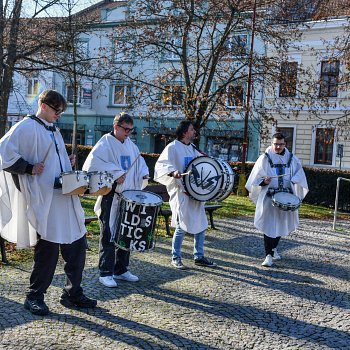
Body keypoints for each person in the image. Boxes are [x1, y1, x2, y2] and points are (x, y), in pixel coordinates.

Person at [0, 89, 97, 316]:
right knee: (49, 250)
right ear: (43, 105)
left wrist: (67, 161)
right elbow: (3, 152)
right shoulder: (26, 126)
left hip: (64, 197)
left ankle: (72, 294)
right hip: (46, 199)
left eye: (61, 112)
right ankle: (34, 296)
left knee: (77, 244)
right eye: (56, 110)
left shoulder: (52, 128)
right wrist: (28, 168)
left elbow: (53, 160)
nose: (58, 115)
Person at [83, 112, 149, 288]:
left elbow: (138, 161)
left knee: (126, 233)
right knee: (109, 234)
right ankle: (105, 272)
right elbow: (93, 165)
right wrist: (115, 175)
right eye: (125, 129)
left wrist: (143, 172)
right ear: (116, 127)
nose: (128, 133)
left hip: (128, 197)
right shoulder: (104, 144)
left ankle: (121, 269)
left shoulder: (130, 145)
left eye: (131, 130)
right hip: (111, 196)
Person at [154, 120, 217, 269]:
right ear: (184, 133)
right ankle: (176, 257)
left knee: (201, 224)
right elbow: (162, 164)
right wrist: (172, 172)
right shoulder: (172, 147)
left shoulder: (193, 148)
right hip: (181, 192)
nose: (194, 131)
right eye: (191, 129)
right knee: (181, 225)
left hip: (195, 192)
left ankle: (199, 256)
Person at [245, 132, 308, 267]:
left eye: (281, 144)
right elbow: (255, 179)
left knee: (279, 224)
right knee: (269, 226)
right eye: (276, 144)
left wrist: (293, 180)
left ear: (285, 144)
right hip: (269, 197)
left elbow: (300, 174)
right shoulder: (264, 159)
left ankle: (273, 250)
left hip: (285, 197)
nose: (278, 147)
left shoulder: (292, 158)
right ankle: (268, 255)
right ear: (271, 143)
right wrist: (264, 181)